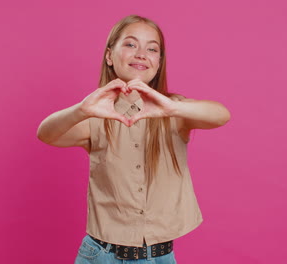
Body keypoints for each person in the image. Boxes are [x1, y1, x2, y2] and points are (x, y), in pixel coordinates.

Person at [37, 14, 231, 264]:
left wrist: (172, 108)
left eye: (152, 48)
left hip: (159, 256)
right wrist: (81, 110)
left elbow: (221, 115)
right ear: (109, 56)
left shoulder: (177, 111)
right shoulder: (94, 117)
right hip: (101, 256)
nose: (141, 54)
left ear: (158, 62)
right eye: (130, 44)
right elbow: (46, 133)